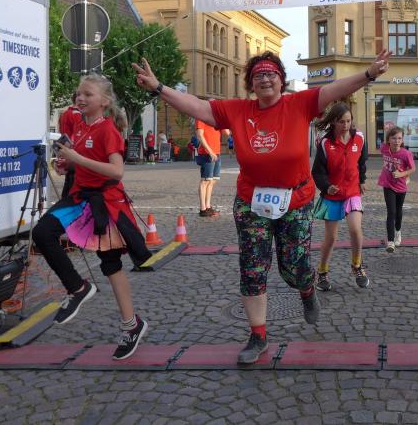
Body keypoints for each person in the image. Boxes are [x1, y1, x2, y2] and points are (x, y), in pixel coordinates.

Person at [134, 49, 391, 365]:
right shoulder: (237, 110)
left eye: (271, 74)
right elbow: (198, 107)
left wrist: (369, 74)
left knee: (293, 267)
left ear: (281, 80)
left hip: (295, 201)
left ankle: (307, 288)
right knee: (253, 268)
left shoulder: (299, 104)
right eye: (258, 75)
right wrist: (159, 88)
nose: (265, 79)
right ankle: (258, 335)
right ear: (251, 84)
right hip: (252, 202)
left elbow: (335, 89)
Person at [32, 74, 152, 360]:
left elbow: (117, 171)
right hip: (80, 197)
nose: (80, 98)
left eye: (88, 94)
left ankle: (131, 325)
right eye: (79, 94)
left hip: (104, 202)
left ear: (104, 101)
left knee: (111, 265)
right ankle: (77, 287)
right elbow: (82, 162)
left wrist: (78, 160)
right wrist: (67, 167)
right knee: (42, 232)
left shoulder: (108, 130)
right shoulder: (80, 126)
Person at [311, 103, 369, 291]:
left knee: (355, 230)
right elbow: (317, 172)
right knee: (331, 238)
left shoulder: (359, 138)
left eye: (349, 121)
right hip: (332, 196)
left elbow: (362, 161)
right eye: (342, 122)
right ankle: (322, 271)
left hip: (352, 192)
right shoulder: (325, 144)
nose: (346, 125)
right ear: (334, 122)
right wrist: (327, 186)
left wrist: (362, 179)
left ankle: (357, 266)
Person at [378, 126, 416, 253]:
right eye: (394, 138)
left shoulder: (406, 154)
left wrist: (401, 174)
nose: (397, 141)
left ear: (402, 140)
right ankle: (390, 242)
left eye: (399, 138)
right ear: (388, 139)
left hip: (400, 186)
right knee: (391, 212)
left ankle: (398, 232)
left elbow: (413, 169)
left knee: (398, 212)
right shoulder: (384, 148)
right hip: (388, 185)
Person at [195, 113, 222, 217]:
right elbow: (199, 135)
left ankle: (208, 206)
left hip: (217, 152)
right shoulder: (201, 117)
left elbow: (227, 132)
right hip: (207, 153)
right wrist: (210, 151)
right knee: (205, 180)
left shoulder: (216, 118)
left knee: (212, 180)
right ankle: (203, 209)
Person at [58, 91, 82, 198]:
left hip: (65, 150)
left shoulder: (64, 114)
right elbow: (78, 135)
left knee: (68, 185)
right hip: (74, 153)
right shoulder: (77, 115)